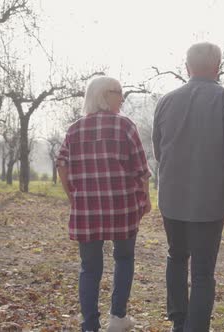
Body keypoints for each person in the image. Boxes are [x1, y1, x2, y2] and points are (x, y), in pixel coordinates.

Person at [152, 42, 224, 332]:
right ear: (218, 66)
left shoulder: (166, 101)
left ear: (186, 68)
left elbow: (159, 149)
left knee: (176, 256)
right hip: (208, 200)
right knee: (201, 271)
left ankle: (178, 322)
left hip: (171, 197)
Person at [56, 76, 151, 332]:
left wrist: (72, 195)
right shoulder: (125, 126)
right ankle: (118, 318)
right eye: (118, 92)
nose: (122, 97)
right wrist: (146, 199)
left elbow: (62, 164)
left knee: (89, 267)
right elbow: (141, 170)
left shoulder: (74, 129)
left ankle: (89, 326)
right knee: (124, 258)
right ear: (102, 95)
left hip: (87, 209)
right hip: (122, 207)